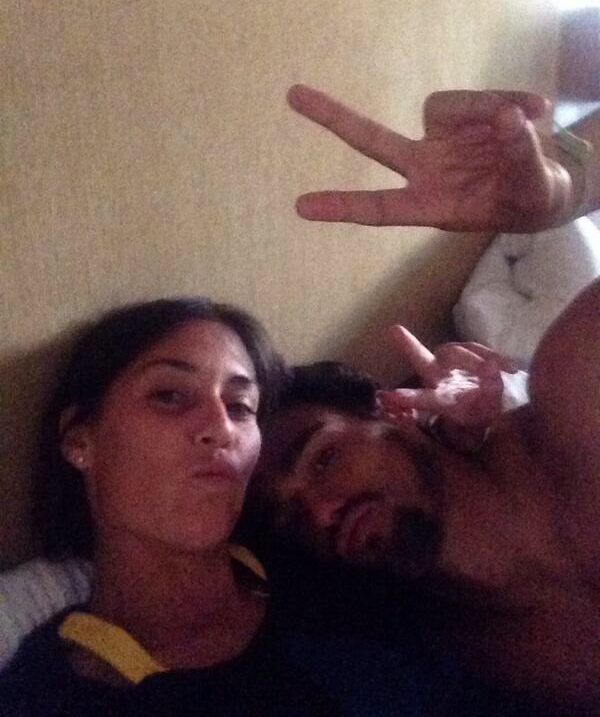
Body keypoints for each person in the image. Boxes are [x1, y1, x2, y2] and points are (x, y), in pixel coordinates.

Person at [0, 297, 522, 717]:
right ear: (80, 438)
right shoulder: (50, 692)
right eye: (169, 396)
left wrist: (482, 428)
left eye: (239, 405)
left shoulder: (329, 564)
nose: (221, 427)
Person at [251, 86, 600, 712]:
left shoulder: (578, 385)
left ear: (392, 409)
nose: (322, 513)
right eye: (291, 518)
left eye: (324, 458)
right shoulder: (457, 652)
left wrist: (567, 189)